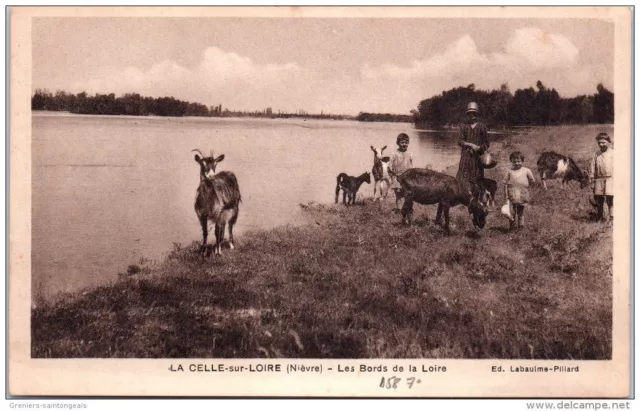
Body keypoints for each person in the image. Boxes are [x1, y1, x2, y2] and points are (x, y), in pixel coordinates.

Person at [456, 102, 490, 198]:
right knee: (463, 176)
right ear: (467, 114)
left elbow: (487, 143)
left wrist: (479, 148)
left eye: (474, 113)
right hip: (466, 155)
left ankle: (477, 196)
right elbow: (459, 141)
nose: (472, 116)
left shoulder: (482, 126)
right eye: (470, 113)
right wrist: (470, 145)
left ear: (477, 114)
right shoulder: (463, 126)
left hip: (477, 156)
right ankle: (462, 196)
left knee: (477, 176)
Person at [503, 151, 536, 230]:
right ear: (511, 162)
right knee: (512, 211)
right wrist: (506, 193)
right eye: (514, 162)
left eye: (519, 161)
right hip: (513, 193)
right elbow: (505, 182)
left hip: (523, 193)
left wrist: (529, 185)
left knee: (521, 211)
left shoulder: (526, 170)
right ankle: (512, 226)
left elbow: (532, 180)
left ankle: (521, 226)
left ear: (522, 161)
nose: (517, 163)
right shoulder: (509, 171)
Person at [589, 132, 614, 223]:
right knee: (599, 199)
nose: (601, 144)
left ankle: (611, 218)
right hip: (599, 179)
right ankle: (600, 217)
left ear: (608, 142)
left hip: (610, 179)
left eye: (603, 142)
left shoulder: (613, 153)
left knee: (610, 199)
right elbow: (592, 167)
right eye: (599, 143)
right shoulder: (596, 154)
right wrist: (592, 179)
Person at [389, 133, 413, 211]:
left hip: (408, 178)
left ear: (408, 143)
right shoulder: (394, 154)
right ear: (398, 143)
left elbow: (411, 165)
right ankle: (400, 210)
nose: (404, 144)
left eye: (406, 143)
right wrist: (393, 177)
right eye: (402, 142)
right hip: (397, 177)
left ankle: (407, 209)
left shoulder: (410, 154)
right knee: (399, 195)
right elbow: (390, 166)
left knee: (408, 194)